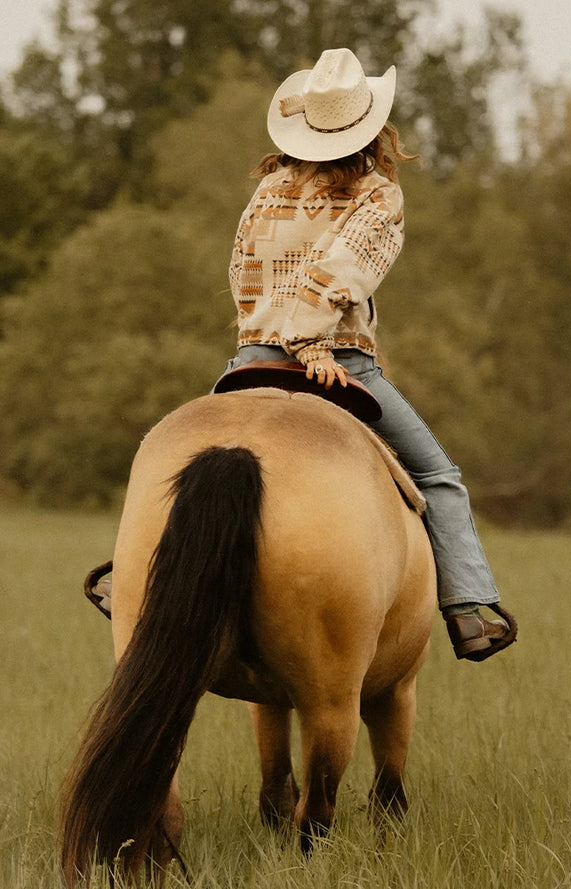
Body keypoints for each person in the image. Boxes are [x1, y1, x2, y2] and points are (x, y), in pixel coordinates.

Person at [88, 48, 516, 661]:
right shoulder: (379, 196)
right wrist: (310, 343)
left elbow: (241, 270)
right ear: (371, 126)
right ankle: (467, 608)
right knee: (439, 477)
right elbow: (342, 273)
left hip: (252, 356)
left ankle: (127, 579)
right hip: (337, 359)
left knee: (173, 460)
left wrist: (263, 336)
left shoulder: (268, 189)